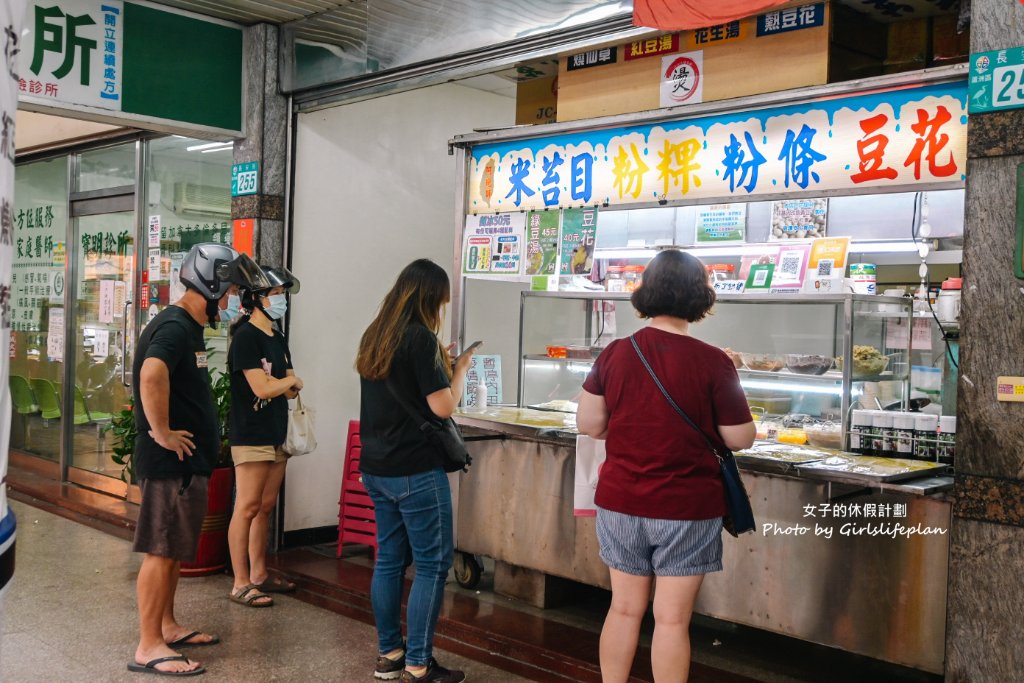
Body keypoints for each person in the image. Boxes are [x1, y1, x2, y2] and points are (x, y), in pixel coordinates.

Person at [576, 250, 756, 683]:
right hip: (686, 507)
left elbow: (588, 424)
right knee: (671, 620)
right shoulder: (714, 360)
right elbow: (739, 438)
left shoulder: (616, 353)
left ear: (646, 293)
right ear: (701, 297)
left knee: (622, 608)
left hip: (620, 502)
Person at [129, 244, 269, 677]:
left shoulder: (186, 327)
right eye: (226, 292)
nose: (229, 302)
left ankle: (166, 626)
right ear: (209, 286)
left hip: (184, 468)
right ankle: (149, 644)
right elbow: (151, 374)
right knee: (160, 550)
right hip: (171, 465)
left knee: (172, 551)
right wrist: (163, 432)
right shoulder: (174, 327)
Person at [355, 259, 474, 683]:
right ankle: (419, 663)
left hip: (377, 467)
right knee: (430, 566)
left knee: (388, 560)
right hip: (415, 470)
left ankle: (389, 654)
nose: (441, 310)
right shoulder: (420, 339)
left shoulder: (377, 335)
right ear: (429, 298)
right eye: (440, 301)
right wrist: (457, 371)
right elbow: (443, 407)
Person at [226, 266, 304, 608]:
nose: (281, 300)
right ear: (256, 299)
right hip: (251, 432)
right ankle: (240, 582)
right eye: (275, 295)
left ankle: (259, 574)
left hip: (276, 431)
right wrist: (286, 383)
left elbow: (285, 386)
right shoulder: (245, 337)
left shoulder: (276, 335)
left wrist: (284, 384)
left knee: (265, 507)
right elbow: (264, 386)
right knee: (247, 507)